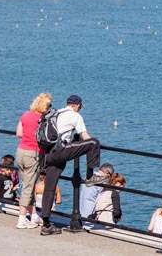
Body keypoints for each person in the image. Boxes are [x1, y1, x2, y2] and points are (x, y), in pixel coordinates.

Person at [41, 95, 105, 236]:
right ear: (76, 105)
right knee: (94, 143)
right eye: (80, 107)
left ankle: (46, 224)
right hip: (61, 151)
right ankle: (90, 177)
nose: (80, 109)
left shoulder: (56, 113)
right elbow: (85, 137)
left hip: (49, 154)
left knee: (49, 187)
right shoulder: (76, 116)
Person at [15, 92, 52, 229]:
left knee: (26, 183)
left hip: (21, 151)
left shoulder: (25, 115)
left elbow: (19, 133)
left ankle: (34, 214)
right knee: (28, 187)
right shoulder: (43, 119)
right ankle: (22, 218)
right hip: (34, 154)